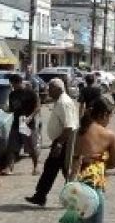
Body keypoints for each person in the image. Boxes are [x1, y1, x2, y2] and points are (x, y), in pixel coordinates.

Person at [26, 79, 78, 207]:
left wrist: (59, 144)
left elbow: (69, 126)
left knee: (65, 170)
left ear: (58, 89)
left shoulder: (64, 102)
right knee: (52, 169)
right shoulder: (60, 101)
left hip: (64, 141)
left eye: (50, 88)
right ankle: (40, 196)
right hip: (60, 140)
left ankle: (74, 197)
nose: (48, 91)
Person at [1, 74, 41, 176]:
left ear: (18, 82)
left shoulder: (30, 93)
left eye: (13, 84)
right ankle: (9, 168)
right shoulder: (12, 94)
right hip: (16, 122)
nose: (12, 86)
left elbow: (37, 107)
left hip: (26, 124)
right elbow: (12, 108)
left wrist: (31, 117)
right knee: (12, 147)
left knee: (31, 147)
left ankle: (36, 166)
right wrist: (6, 110)